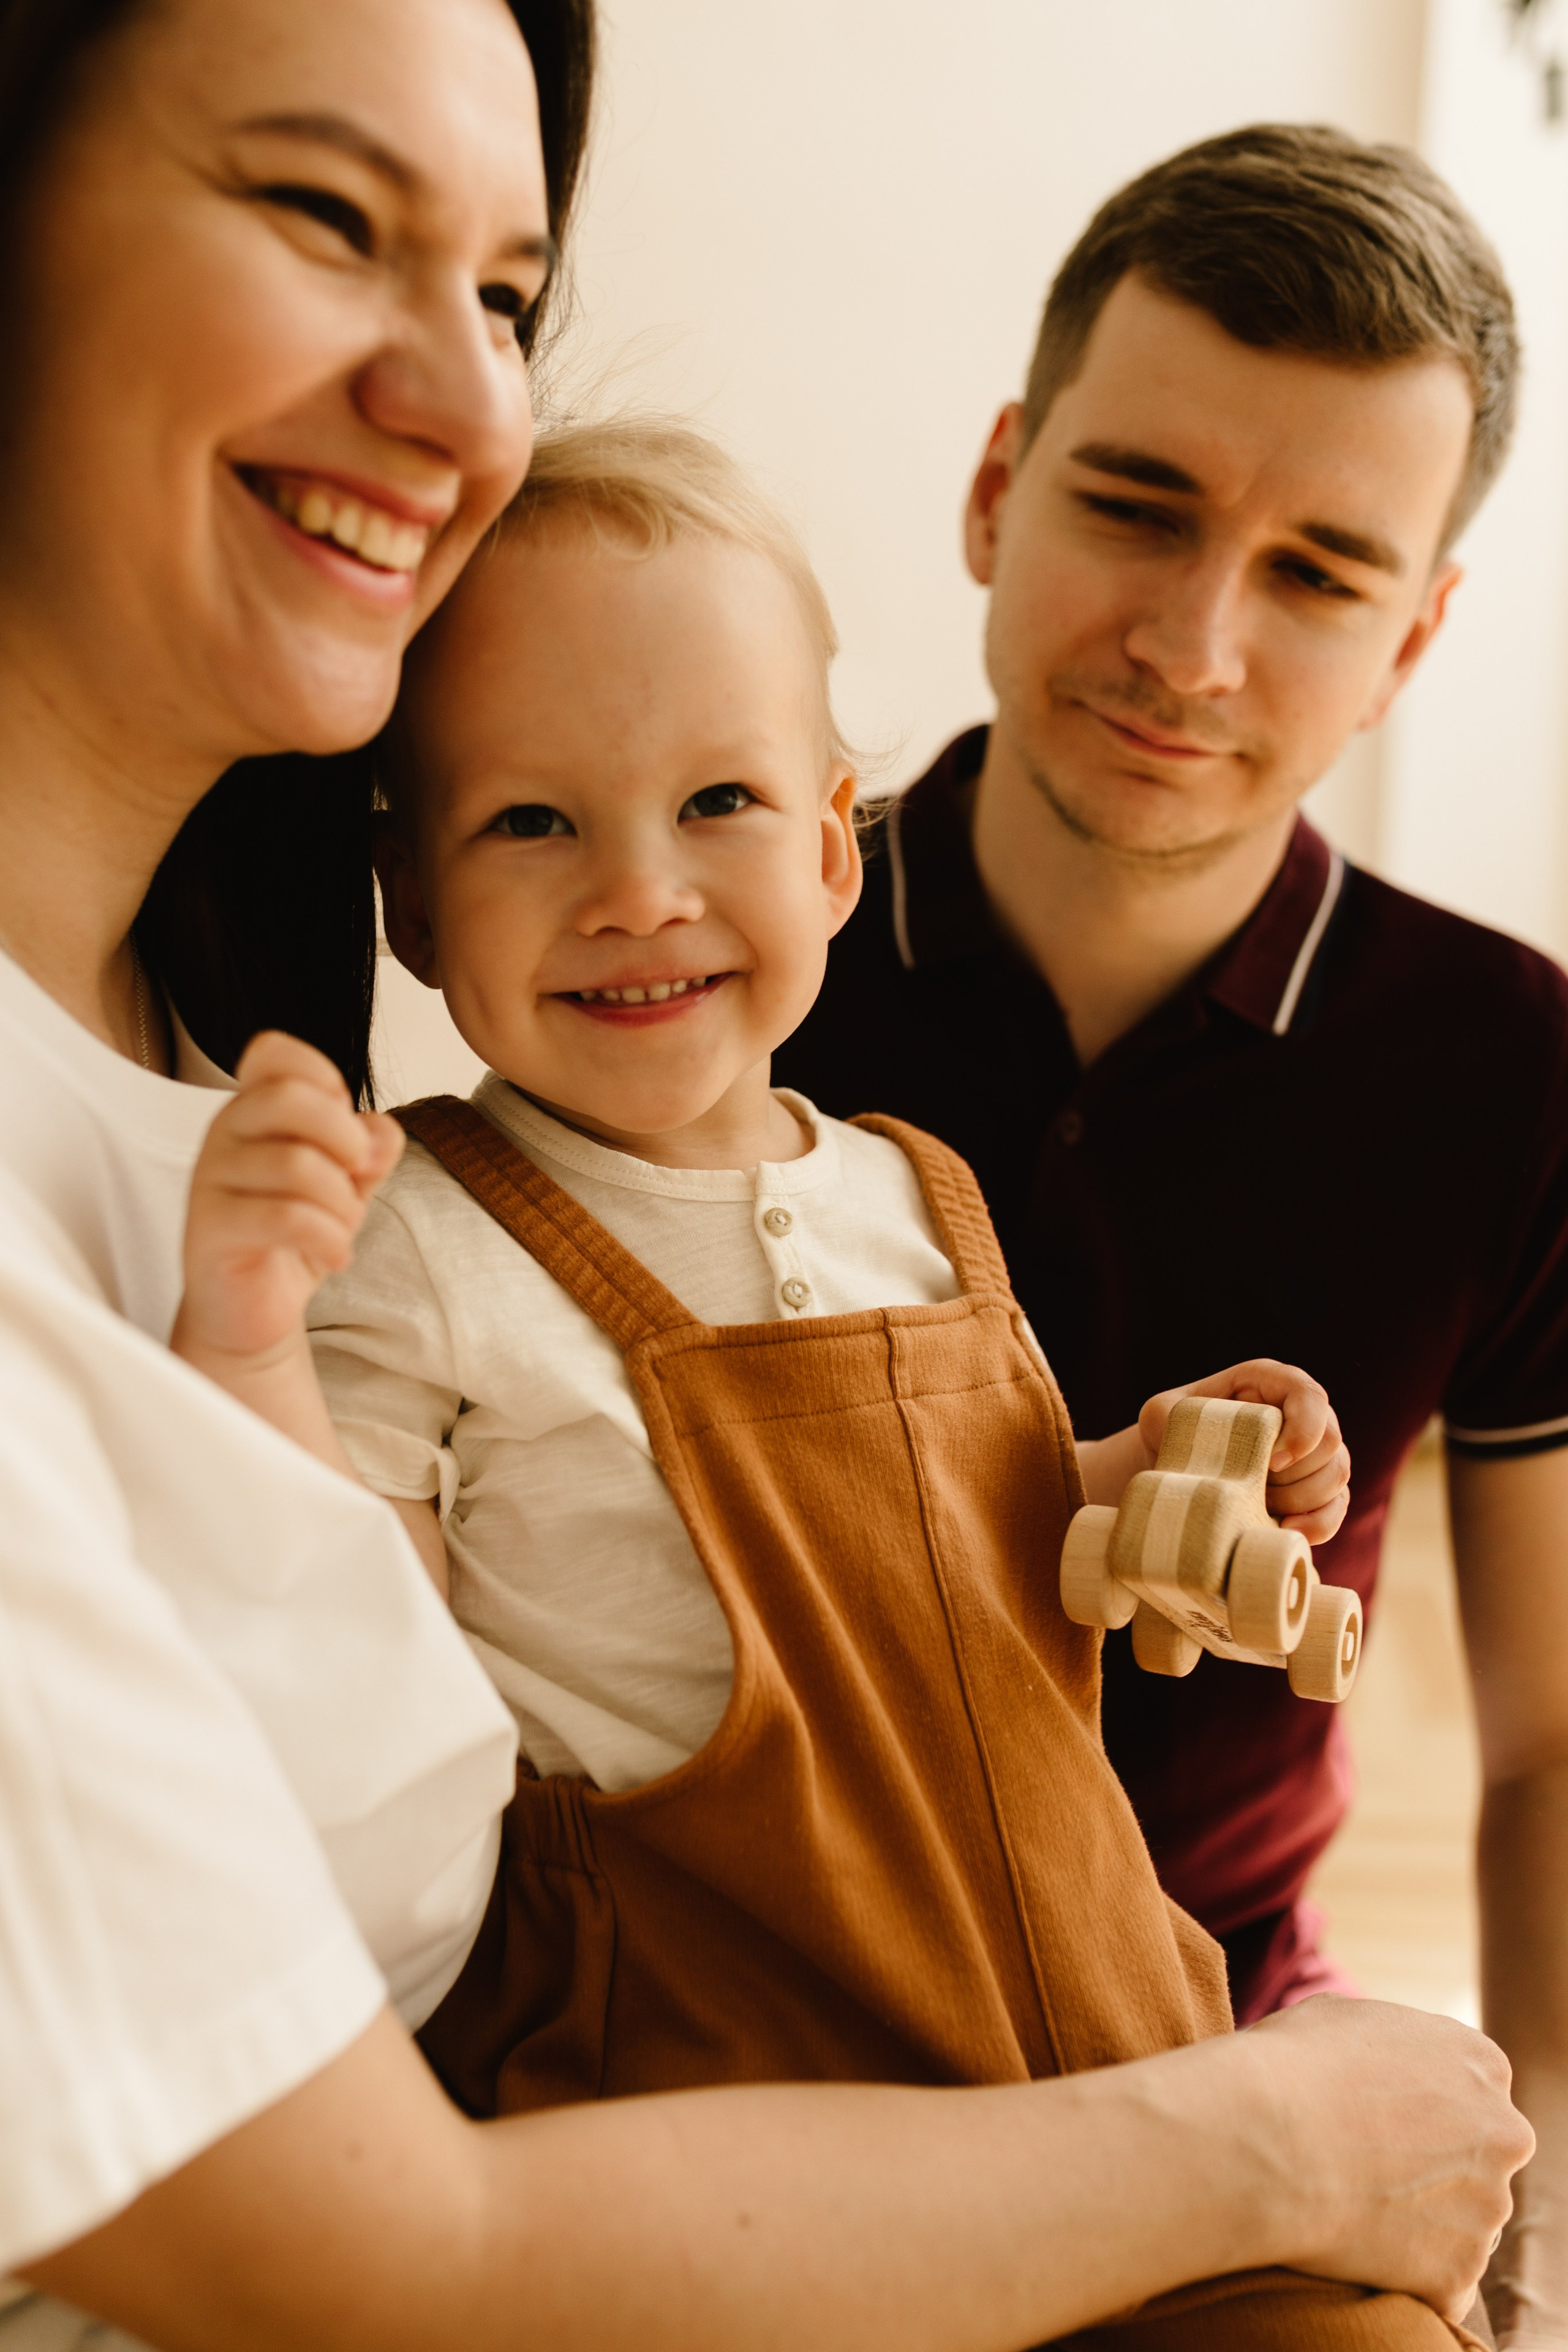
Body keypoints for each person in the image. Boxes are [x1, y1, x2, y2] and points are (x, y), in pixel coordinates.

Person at [0, 0, 1526, 2333]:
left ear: (828, 837)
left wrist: (1148, 1498)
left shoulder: (913, 1171)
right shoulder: (390, 1210)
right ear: (998, 489)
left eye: (507, 293)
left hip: (1148, 2023)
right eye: (322, 215)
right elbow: (359, 1724)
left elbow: (1009, 1567)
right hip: (743, 2115)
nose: (645, 897)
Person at [773, 121, 1568, 2348]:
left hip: (1225, 2069)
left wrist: (1543, 2249)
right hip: (738, 2050)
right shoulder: (702, 953)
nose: (1196, 646)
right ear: (996, 492)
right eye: (1137, 506)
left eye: (1321, 572)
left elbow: (1546, 1745)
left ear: (1414, 638)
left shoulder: (1511, 1064)